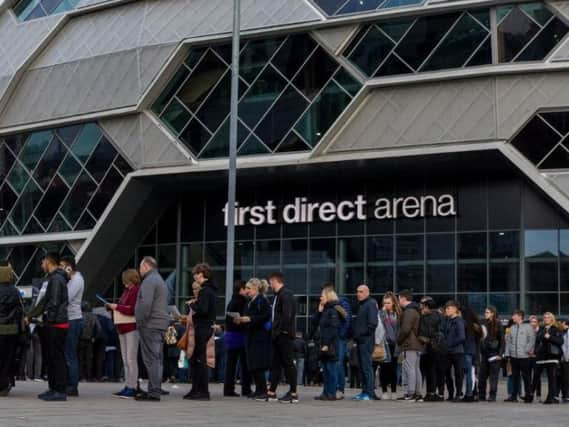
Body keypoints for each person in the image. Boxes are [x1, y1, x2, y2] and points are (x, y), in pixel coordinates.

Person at [26, 253, 69, 402]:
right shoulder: (54, 278)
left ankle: (60, 390)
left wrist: (47, 321)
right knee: (51, 358)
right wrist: (32, 316)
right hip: (54, 323)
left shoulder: (56, 279)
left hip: (56, 324)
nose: (41, 265)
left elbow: (54, 303)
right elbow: (45, 302)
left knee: (56, 358)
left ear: (49, 262)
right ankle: (54, 388)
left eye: (43, 261)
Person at [134, 256, 169, 402]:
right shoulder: (160, 280)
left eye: (141, 267)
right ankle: (155, 388)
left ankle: (154, 392)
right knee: (157, 359)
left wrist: (140, 321)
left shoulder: (149, 281)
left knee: (151, 359)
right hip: (160, 324)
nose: (139, 270)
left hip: (150, 324)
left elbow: (145, 304)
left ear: (146, 267)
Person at [235, 278, 272, 400]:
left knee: (258, 364)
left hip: (259, 337)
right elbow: (248, 316)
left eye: (249, 288)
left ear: (256, 289)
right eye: (246, 288)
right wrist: (241, 320)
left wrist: (250, 319)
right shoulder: (250, 301)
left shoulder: (262, 300)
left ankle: (263, 390)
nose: (247, 291)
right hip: (250, 335)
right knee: (253, 364)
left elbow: (266, 316)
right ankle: (258, 389)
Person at [184, 263, 217, 401]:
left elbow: (202, 309)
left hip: (202, 328)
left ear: (201, 274)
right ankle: (196, 389)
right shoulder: (210, 290)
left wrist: (192, 304)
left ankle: (202, 391)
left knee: (200, 360)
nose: (194, 276)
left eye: (195, 274)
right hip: (206, 327)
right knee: (197, 360)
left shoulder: (205, 290)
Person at [107, 269, 140, 398]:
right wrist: (111, 307)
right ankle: (127, 385)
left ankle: (133, 386)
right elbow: (123, 306)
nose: (125, 284)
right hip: (122, 327)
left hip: (131, 328)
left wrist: (116, 307)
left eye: (127, 282)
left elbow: (132, 310)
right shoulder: (127, 291)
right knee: (125, 359)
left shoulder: (136, 291)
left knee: (131, 359)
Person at [266, 272, 298, 404]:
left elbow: (287, 316)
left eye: (270, 282)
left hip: (284, 335)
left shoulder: (286, 295)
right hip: (278, 335)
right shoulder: (278, 296)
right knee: (276, 364)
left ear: (274, 281)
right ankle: (271, 391)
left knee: (288, 363)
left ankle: (293, 393)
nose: (269, 285)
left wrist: (279, 331)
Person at [312, 287, 344, 401]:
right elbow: (314, 323)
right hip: (323, 343)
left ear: (328, 297)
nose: (320, 298)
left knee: (331, 369)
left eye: (322, 296)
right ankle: (325, 392)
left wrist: (326, 344)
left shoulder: (333, 310)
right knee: (325, 370)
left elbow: (333, 329)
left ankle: (331, 393)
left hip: (330, 345)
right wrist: (319, 311)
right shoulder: (325, 310)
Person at [321, 282, 352, 400]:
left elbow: (346, 320)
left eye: (323, 293)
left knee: (336, 364)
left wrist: (340, 335)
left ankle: (339, 389)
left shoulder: (340, 303)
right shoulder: (327, 306)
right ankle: (331, 390)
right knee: (330, 365)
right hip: (333, 338)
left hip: (338, 338)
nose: (321, 296)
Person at [59, 256, 84, 397]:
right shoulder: (71, 279)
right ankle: (67, 383)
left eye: (62, 266)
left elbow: (65, 297)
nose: (61, 268)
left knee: (70, 354)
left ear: (69, 267)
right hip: (68, 319)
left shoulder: (77, 279)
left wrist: (65, 278)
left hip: (73, 319)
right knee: (66, 353)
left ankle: (72, 385)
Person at [223, 280, 251, 397]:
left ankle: (228, 389)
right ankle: (246, 389)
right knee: (245, 364)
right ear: (242, 289)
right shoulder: (243, 301)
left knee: (230, 364)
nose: (248, 291)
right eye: (246, 289)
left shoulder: (231, 301)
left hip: (230, 335)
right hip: (240, 335)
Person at [0, 263, 24, 397]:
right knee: (9, 358)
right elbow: (20, 310)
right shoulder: (15, 291)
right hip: (12, 330)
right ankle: (5, 384)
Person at [352, 284, 378, 401]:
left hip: (366, 341)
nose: (358, 294)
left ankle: (370, 392)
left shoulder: (371, 304)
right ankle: (364, 391)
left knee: (367, 367)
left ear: (367, 292)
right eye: (357, 291)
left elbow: (373, 323)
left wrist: (363, 335)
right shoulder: (362, 305)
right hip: (361, 341)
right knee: (362, 367)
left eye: (361, 291)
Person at [397, 289, 424, 402]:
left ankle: (411, 393)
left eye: (399, 298)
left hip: (410, 344)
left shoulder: (409, 311)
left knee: (410, 368)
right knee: (416, 368)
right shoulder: (416, 310)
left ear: (403, 298)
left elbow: (405, 329)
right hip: (417, 344)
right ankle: (417, 393)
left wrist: (399, 340)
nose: (398, 301)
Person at [504, 309, 535, 403]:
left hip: (525, 357)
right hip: (514, 357)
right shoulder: (512, 328)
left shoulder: (528, 327)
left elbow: (532, 340)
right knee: (514, 377)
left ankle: (528, 396)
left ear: (520, 316)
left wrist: (526, 350)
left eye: (514, 315)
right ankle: (514, 396)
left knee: (526, 377)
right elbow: (508, 342)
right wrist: (507, 354)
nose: (512, 317)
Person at [533, 312, 564, 404]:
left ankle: (551, 397)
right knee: (536, 376)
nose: (546, 319)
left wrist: (549, 337)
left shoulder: (556, 328)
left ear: (552, 319)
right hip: (542, 356)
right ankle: (530, 395)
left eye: (548, 317)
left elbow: (560, 341)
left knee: (552, 378)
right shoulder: (542, 329)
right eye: (545, 317)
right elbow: (537, 340)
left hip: (552, 356)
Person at [418, 297, 445, 402]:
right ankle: (438, 393)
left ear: (427, 307)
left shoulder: (426, 317)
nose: (421, 308)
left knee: (430, 371)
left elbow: (426, 332)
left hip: (430, 346)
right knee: (437, 371)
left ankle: (430, 392)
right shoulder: (439, 315)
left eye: (423, 306)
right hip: (439, 347)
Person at [479, 306, 504, 402]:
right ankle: (481, 394)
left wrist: (500, 354)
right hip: (484, 353)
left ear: (492, 313)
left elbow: (502, 340)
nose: (485, 314)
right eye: (485, 312)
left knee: (493, 376)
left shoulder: (498, 324)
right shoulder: (482, 323)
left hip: (494, 353)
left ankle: (492, 395)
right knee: (482, 375)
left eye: (487, 312)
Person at [379, 292, 400, 400]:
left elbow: (399, 330)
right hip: (385, 344)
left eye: (388, 303)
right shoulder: (382, 314)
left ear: (393, 303)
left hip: (395, 345)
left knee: (394, 368)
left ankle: (394, 390)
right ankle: (384, 391)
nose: (386, 305)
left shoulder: (398, 314)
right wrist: (382, 313)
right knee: (384, 368)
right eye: (385, 303)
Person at [443, 300, 465, 402]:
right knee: (447, 373)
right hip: (448, 352)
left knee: (458, 374)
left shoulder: (459, 321)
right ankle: (451, 394)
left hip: (457, 351)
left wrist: (449, 344)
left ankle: (458, 394)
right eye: (446, 308)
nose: (446, 310)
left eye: (449, 308)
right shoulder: (447, 320)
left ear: (455, 309)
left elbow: (461, 337)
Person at [461, 306, 483, 402]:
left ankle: (469, 393)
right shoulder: (476, 326)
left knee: (469, 373)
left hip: (467, 351)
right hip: (475, 351)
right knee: (472, 373)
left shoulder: (466, 325)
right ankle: (473, 393)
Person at [78, 302, 99, 382]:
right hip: (90, 339)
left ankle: (81, 376)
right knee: (89, 359)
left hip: (80, 339)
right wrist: (94, 336)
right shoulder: (93, 316)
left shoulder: (80, 316)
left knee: (80, 358)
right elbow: (98, 328)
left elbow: (78, 327)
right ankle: (89, 376)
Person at [528, 315, 541, 402]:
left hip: (537, 356)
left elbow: (541, 344)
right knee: (528, 376)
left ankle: (538, 395)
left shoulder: (541, 331)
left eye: (534, 322)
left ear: (537, 323)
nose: (532, 323)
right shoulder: (527, 331)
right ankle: (529, 394)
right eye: (531, 322)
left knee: (537, 376)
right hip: (528, 356)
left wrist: (535, 353)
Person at [560, 319, 569, 403]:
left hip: (567, 359)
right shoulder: (563, 333)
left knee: (566, 378)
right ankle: (565, 395)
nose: (562, 326)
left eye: (562, 324)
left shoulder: (566, 333)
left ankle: (566, 396)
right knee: (564, 378)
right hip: (564, 359)